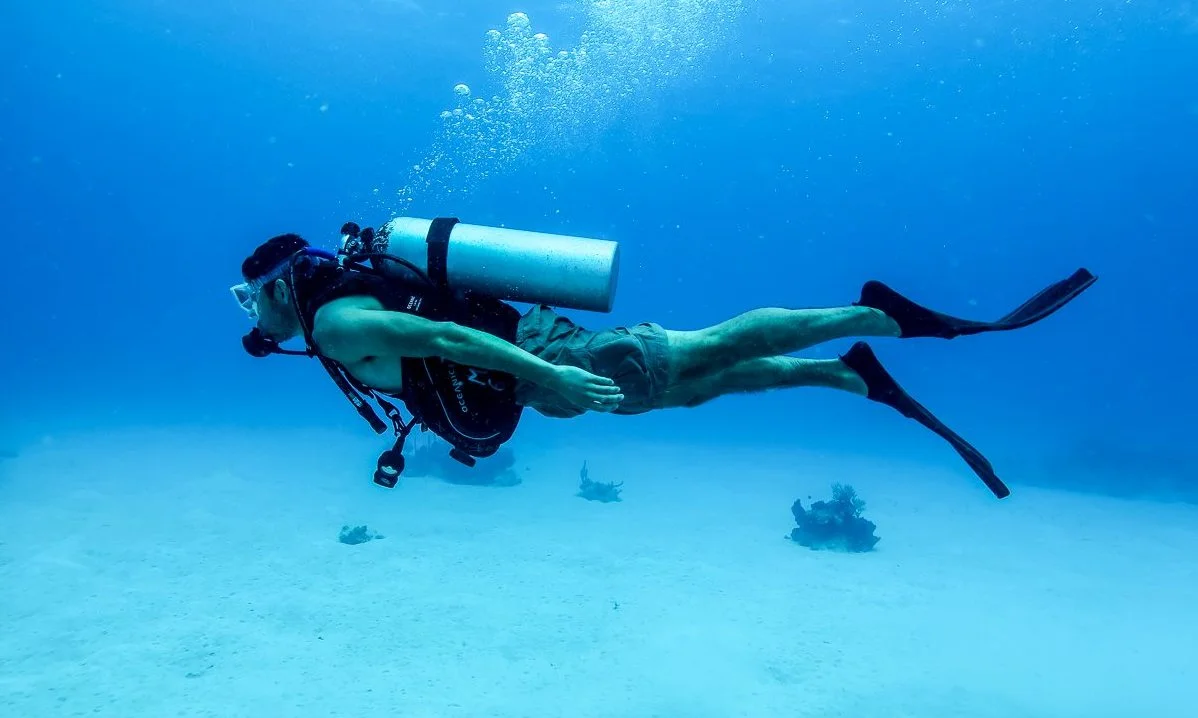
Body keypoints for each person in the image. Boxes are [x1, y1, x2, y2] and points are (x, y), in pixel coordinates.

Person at [232, 230, 1096, 498]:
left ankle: (881, 315)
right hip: (535, 378)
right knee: (681, 392)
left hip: (544, 361)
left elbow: (453, 343)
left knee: (701, 350)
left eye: (250, 300)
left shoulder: (339, 323)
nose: (254, 317)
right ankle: (853, 373)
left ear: (278, 288)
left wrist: (564, 375)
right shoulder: (333, 321)